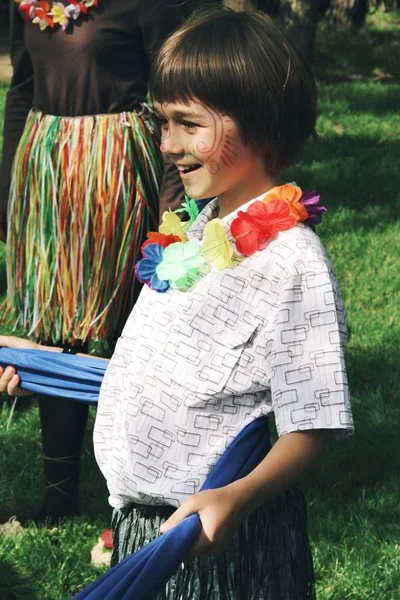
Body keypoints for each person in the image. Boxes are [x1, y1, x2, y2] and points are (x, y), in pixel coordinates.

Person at [0, 7, 354, 598]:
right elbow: (161, 373)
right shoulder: (193, 235)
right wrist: (42, 363)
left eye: (189, 125)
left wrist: (235, 498)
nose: (166, 145)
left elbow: (309, 426)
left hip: (221, 534)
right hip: (143, 526)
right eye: (163, 123)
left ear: (262, 124)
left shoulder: (294, 262)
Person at [0, 0, 183, 523]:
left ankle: (147, 496)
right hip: (49, 172)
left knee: (134, 331)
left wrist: (170, 209)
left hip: (119, 174)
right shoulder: (27, 5)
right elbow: (22, 91)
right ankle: (58, 500)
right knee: (59, 334)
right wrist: (10, 191)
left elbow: (175, 99)